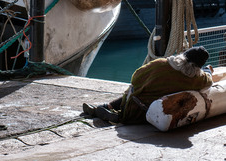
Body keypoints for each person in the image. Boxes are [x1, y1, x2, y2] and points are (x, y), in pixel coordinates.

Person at [83, 46, 213, 124]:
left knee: (133, 89)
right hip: (155, 114)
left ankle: (112, 110)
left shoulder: (161, 64)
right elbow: (209, 81)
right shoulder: (196, 79)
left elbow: (136, 78)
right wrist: (207, 70)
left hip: (134, 109)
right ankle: (110, 110)